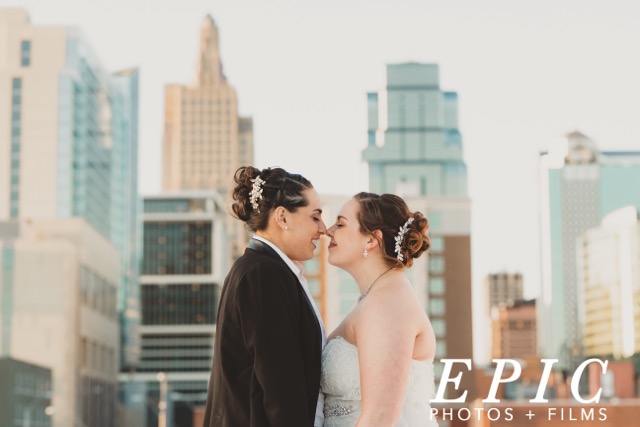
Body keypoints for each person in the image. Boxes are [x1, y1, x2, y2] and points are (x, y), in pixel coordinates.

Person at [203, 166, 328, 427]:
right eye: (315, 217)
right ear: (282, 217)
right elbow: (280, 387)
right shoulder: (264, 275)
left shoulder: (264, 270)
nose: (323, 229)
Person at [321, 192, 439, 426]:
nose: (329, 230)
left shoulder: (388, 303)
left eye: (341, 224)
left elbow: (379, 418)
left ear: (371, 240)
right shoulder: (375, 297)